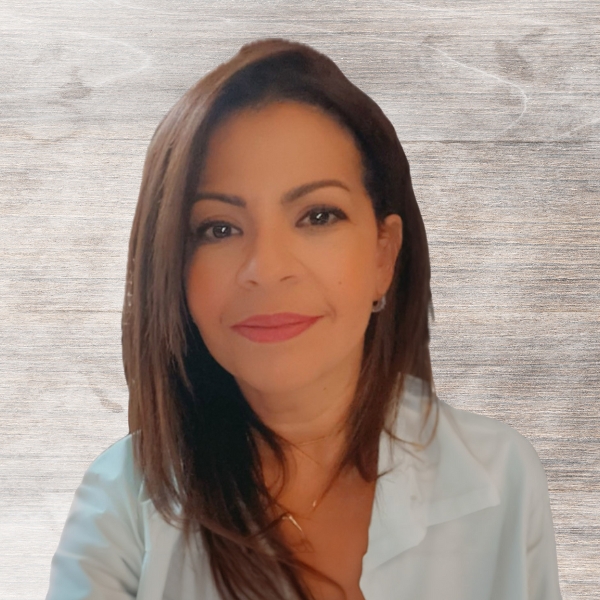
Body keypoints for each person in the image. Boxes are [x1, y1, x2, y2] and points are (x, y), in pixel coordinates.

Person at [45, 38, 562, 600]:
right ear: (174, 267)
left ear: (383, 256)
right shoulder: (122, 502)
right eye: (219, 228)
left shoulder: (500, 475)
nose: (266, 270)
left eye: (317, 216)